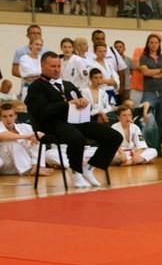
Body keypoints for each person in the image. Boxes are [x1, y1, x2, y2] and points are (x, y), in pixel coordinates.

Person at [25, 52, 123, 188]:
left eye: (58, 66)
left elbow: (81, 102)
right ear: (42, 66)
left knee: (114, 136)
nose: (56, 69)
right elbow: (42, 112)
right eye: (52, 66)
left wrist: (84, 103)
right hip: (53, 124)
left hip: (77, 122)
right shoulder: (36, 87)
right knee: (77, 138)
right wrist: (67, 104)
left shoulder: (68, 85)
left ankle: (89, 167)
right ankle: (75, 170)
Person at [0, 103, 52, 176]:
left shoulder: (23, 127)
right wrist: (27, 136)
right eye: (5, 116)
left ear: (15, 116)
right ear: (0, 118)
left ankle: (37, 167)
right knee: (10, 142)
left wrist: (36, 135)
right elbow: (3, 135)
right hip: (7, 165)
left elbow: (41, 134)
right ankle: (29, 170)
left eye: (11, 115)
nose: (8, 119)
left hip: (20, 164)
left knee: (37, 139)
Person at [138, 33, 162, 142]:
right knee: (146, 119)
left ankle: (158, 145)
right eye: (151, 42)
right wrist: (160, 70)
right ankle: (146, 144)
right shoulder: (144, 58)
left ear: (159, 44)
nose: (154, 45)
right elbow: (145, 72)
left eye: (156, 42)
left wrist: (153, 74)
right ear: (148, 44)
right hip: (150, 92)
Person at [18, 37, 44, 102]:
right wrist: (40, 76)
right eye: (36, 44)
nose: (39, 47)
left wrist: (35, 76)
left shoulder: (42, 59)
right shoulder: (24, 59)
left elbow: (44, 73)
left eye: (41, 45)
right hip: (28, 88)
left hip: (41, 89)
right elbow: (28, 73)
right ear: (30, 45)